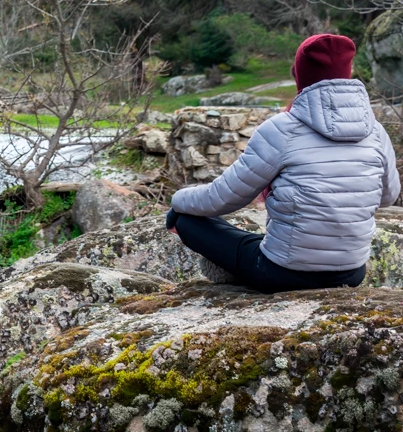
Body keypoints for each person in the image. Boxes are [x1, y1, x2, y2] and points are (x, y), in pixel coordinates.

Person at [165, 34, 401, 294]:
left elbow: (223, 198)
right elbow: (388, 197)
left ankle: (231, 268)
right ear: (348, 73)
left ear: (300, 75)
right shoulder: (376, 132)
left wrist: (178, 200)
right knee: (260, 241)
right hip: (352, 272)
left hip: (282, 273)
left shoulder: (281, 129)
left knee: (186, 220)